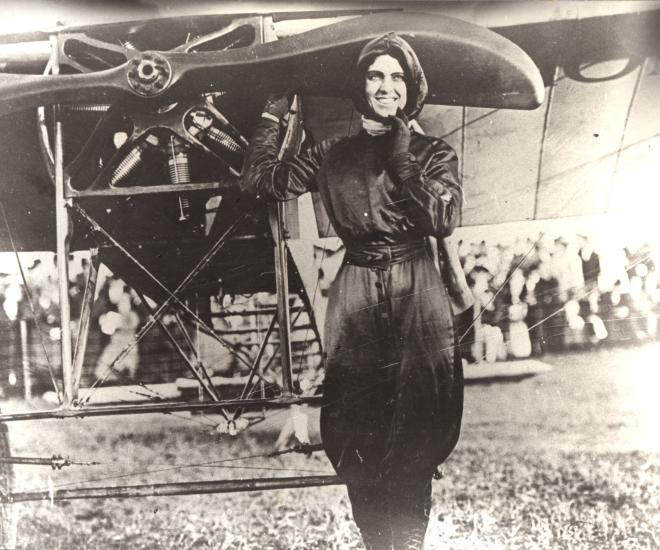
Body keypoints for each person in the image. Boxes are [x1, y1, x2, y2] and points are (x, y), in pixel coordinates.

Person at [241, 33, 464, 550]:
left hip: (417, 289)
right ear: (361, 86)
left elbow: (442, 218)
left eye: (396, 78)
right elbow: (261, 180)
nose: (385, 88)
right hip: (357, 291)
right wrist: (276, 107)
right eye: (374, 76)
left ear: (411, 89)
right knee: (358, 424)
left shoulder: (433, 152)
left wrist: (404, 154)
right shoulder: (332, 153)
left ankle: (408, 542)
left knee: (418, 420)